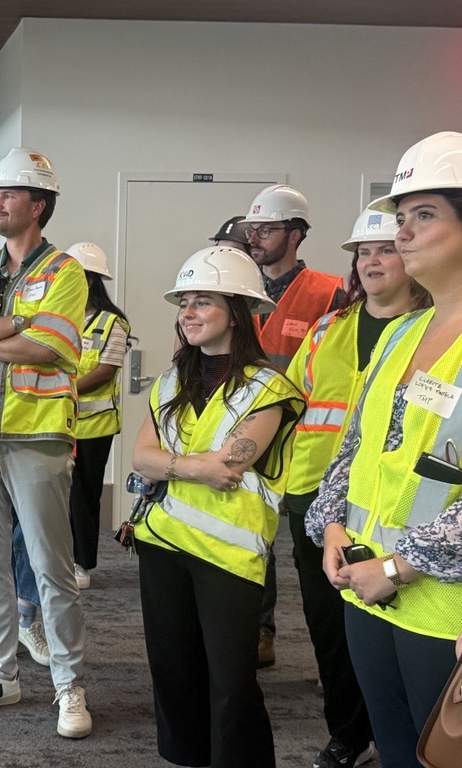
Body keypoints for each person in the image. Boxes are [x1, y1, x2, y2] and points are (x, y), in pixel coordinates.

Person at [307, 131, 462, 768]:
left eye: (424, 215)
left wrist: (398, 568)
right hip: (364, 591)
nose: (403, 233)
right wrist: (333, 527)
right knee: (398, 753)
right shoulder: (400, 334)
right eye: (402, 217)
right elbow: (356, 447)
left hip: (442, 608)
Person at [131, 245, 304, 768]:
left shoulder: (268, 388)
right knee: (174, 672)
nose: (188, 312)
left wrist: (171, 462)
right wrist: (191, 466)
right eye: (184, 302)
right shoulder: (169, 381)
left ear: (238, 311)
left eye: (202, 301)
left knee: (231, 683)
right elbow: (140, 457)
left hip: (229, 558)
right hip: (162, 544)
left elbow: (227, 466)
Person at [0, 147, 93, 739]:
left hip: (38, 434)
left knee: (50, 569)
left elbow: (50, 349)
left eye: (8, 193)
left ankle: (67, 683)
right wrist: (15, 325)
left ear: (40, 205)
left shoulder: (66, 273)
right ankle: (0, 672)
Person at [285, 207, 430, 768]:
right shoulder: (328, 328)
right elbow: (290, 401)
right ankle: (348, 733)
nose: (371, 261)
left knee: (398, 635)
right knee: (331, 632)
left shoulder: (433, 329)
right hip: (317, 501)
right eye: (362, 253)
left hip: (399, 512)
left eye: (384, 249)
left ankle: (407, 737)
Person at [243, 183, 346, 668]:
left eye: (267, 228)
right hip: (247, 431)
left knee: (316, 546)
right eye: (252, 229)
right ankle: (260, 631)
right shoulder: (237, 285)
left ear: (296, 233)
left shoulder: (328, 293)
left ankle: (335, 654)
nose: (256, 237)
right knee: (253, 538)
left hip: (308, 440)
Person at [66, 241, 130, 589]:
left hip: (94, 427)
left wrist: (65, 391)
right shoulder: (60, 316)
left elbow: (106, 370)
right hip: (58, 422)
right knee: (54, 495)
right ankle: (58, 559)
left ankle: (82, 564)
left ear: (90, 281)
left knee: (83, 496)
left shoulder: (113, 323)